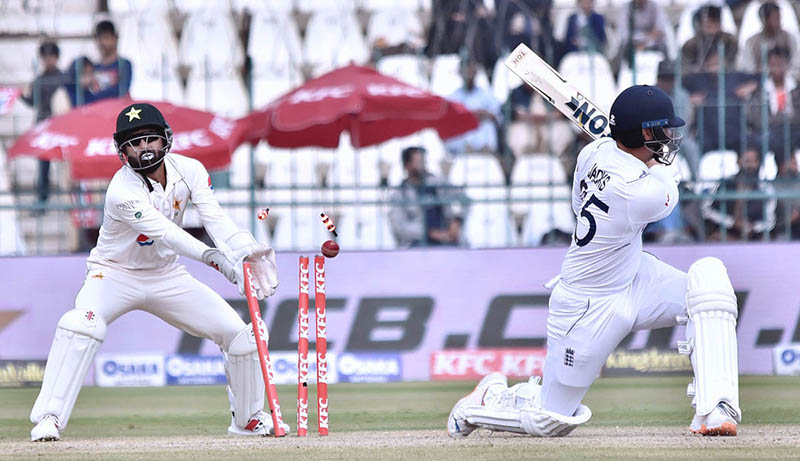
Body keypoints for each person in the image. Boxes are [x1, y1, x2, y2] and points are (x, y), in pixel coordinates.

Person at [447, 85, 741, 438]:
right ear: (645, 133)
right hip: (587, 306)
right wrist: (662, 171)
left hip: (634, 276)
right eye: (663, 131)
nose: (668, 139)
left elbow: (578, 201)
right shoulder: (636, 192)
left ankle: (715, 408)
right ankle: (488, 397)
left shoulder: (593, 152)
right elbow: (666, 187)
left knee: (709, 282)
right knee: (550, 420)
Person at [29, 103, 285, 441]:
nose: (143, 148)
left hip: (167, 275)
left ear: (166, 140)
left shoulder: (190, 170)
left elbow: (215, 217)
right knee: (81, 323)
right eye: (133, 143)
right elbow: (169, 233)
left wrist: (244, 250)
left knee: (242, 336)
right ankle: (49, 418)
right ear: (122, 152)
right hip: (113, 275)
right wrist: (219, 261)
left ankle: (249, 419)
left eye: (149, 139)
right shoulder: (121, 191)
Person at [20, 41, 65, 211]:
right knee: (43, 166)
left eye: (51, 56)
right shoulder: (38, 80)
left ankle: (69, 198)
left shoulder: (63, 77)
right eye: (45, 57)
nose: (48, 60)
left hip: (60, 125)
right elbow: (34, 102)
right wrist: (21, 95)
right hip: (44, 127)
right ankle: (42, 200)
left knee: (65, 165)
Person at [388, 146, 466, 247]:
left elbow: (465, 199)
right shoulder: (399, 194)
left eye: (424, 161)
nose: (423, 165)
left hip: (446, 241)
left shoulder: (438, 183)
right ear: (407, 165)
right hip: (417, 244)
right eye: (418, 161)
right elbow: (400, 228)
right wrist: (430, 233)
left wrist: (458, 220)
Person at [702, 145, 776, 241]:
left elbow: (770, 221)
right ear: (738, 161)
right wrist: (731, 222)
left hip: (754, 237)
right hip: (725, 233)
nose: (750, 165)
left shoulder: (766, 189)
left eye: (754, 161)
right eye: (747, 161)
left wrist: (753, 227)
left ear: (758, 163)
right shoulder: (723, 184)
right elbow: (706, 209)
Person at [444, 59, 502, 155]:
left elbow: (498, 117)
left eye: (471, 70)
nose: (469, 73)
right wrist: (469, 115)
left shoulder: (487, 94)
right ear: (460, 72)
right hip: (461, 149)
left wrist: (483, 114)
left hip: (485, 147)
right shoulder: (452, 97)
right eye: (466, 70)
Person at [737, 2, 800, 80]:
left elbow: (796, 65)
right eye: (775, 19)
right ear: (764, 20)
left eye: (779, 18)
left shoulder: (789, 38)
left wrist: (783, 75)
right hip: (760, 83)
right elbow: (749, 68)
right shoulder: (752, 42)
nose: (778, 22)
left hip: (787, 83)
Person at [681, 5, 737, 74]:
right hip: (699, 80)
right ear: (700, 24)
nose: (712, 26)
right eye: (708, 25)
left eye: (715, 22)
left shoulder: (730, 41)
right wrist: (706, 67)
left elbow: (737, 65)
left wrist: (723, 63)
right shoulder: (691, 45)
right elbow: (686, 70)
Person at [91, 20, 132, 100]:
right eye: (99, 39)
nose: (102, 43)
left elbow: (121, 91)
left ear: (115, 38)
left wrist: (95, 96)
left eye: (106, 38)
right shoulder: (93, 67)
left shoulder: (124, 64)